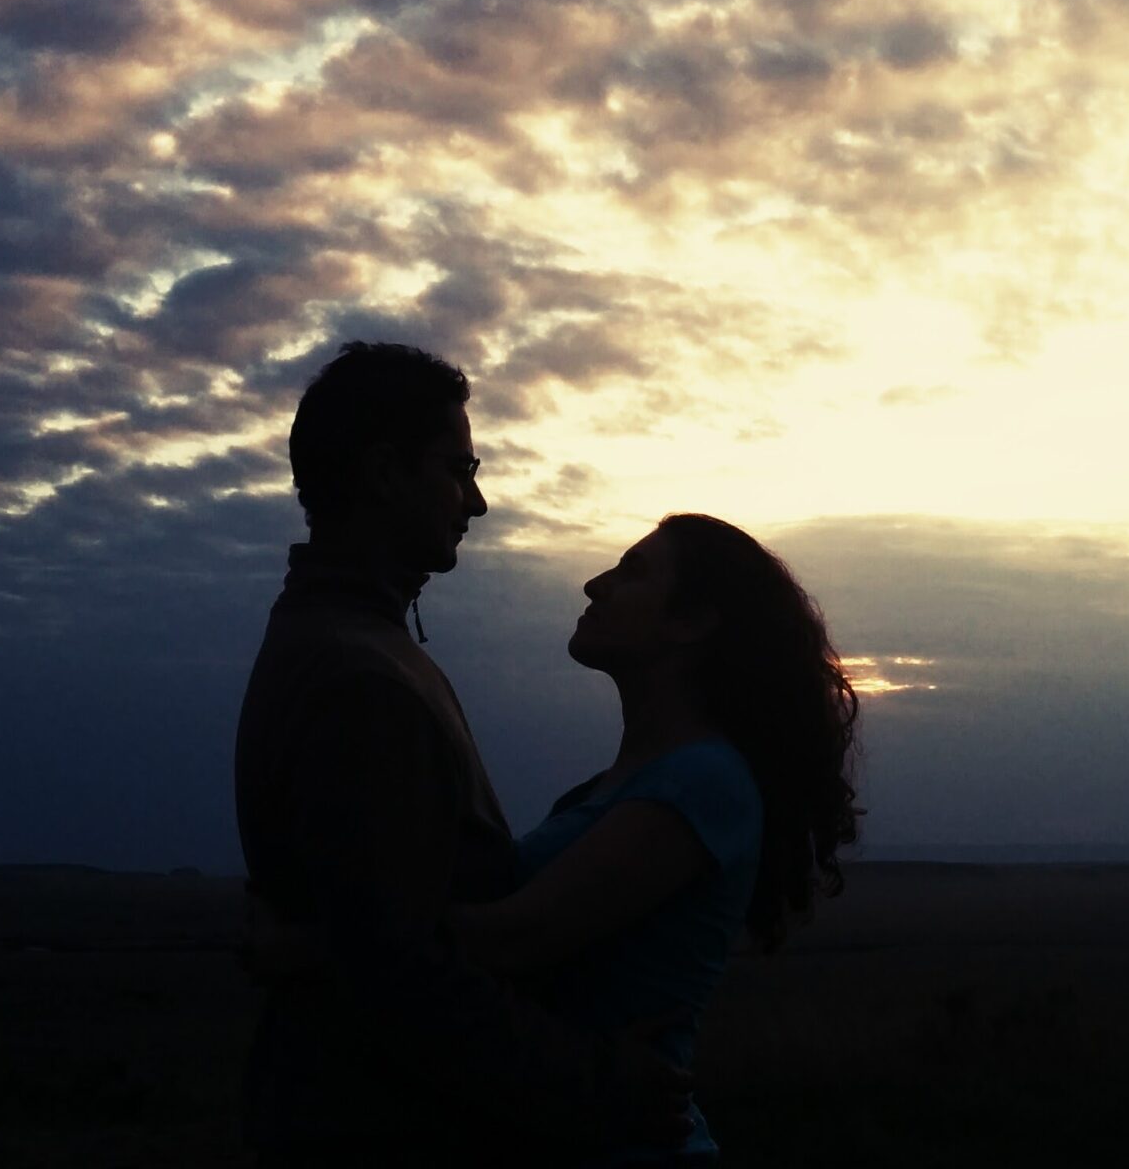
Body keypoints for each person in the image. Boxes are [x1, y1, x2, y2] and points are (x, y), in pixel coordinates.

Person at [253, 510, 865, 1164]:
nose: (595, 584)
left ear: (691, 622)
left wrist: (308, 942)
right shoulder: (612, 788)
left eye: (631, 573)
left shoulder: (704, 782)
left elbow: (510, 940)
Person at [233, 340, 690, 1166]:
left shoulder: (349, 643)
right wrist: (598, 1083)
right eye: (458, 470)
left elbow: (364, 941)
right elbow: (398, 977)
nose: (476, 502)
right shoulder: (360, 677)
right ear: (384, 472)